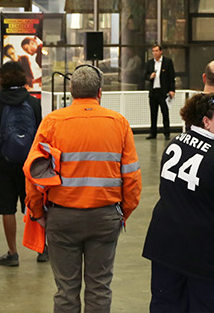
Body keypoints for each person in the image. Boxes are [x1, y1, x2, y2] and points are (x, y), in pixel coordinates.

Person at [25, 65, 141, 313]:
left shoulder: (52, 122)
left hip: (62, 217)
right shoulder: (119, 123)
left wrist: (37, 212)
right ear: (100, 92)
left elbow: (34, 175)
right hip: (105, 216)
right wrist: (121, 213)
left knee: (66, 291)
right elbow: (132, 178)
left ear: (71, 91)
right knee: (99, 289)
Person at [143, 92, 214, 312]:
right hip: (206, 256)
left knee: (165, 306)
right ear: (206, 121)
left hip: (165, 246)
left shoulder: (175, 143)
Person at [0, 61, 43, 266]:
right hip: (29, 164)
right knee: (34, 205)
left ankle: (13, 252)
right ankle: (42, 249)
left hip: (3, 163)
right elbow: (40, 134)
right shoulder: (33, 102)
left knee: (7, 209)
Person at [143, 45, 176, 139]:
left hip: (163, 91)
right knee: (153, 113)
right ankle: (153, 133)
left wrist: (172, 90)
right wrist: (150, 76)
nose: (155, 53)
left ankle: (167, 132)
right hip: (153, 91)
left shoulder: (167, 62)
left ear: (161, 51)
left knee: (165, 112)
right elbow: (145, 75)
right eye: (153, 51)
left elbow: (171, 77)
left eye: (156, 51)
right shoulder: (150, 63)